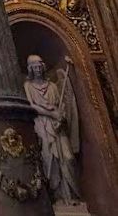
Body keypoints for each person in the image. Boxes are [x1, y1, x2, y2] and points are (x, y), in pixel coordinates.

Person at [23, 54, 81, 202]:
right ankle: (57, 198)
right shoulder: (28, 86)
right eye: (34, 66)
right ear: (30, 69)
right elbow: (32, 106)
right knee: (48, 158)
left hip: (58, 126)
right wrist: (52, 114)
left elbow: (61, 107)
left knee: (68, 157)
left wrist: (60, 118)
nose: (37, 69)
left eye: (39, 65)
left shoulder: (53, 86)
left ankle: (72, 195)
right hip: (42, 124)